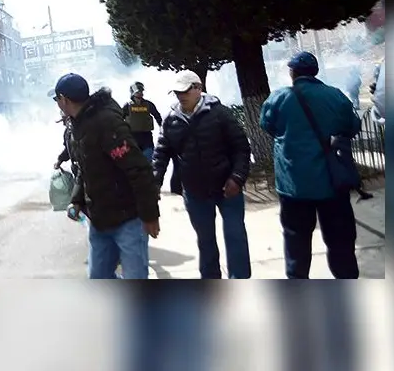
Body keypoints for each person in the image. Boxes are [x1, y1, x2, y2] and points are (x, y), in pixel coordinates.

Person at [259, 51, 362, 279]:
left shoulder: (279, 98)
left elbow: (267, 124)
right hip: (332, 184)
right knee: (341, 244)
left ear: (292, 73)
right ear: (315, 72)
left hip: (293, 187)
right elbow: (353, 127)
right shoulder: (335, 96)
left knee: (296, 246)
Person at [56, 73, 160, 279]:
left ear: (64, 99)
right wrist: (77, 200)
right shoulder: (78, 124)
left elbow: (138, 168)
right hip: (100, 220)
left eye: (57, 99)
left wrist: (149, 214)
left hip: (128, 219)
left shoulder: (106, 124)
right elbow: (86, 168)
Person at [152, 70, 253, 279]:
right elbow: (161, 154)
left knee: (235, 237)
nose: (181, 96)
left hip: (228, 189)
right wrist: (154, 184)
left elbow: (241, 147)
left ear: (198, 89)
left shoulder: (219, 114)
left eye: (185, 91)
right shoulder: (171, 120)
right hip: (195, 192)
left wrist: (237, 178)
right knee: (205, 242)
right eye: (177, 92)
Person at [122, 81, 163, 161]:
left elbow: (158, 117)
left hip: (146, 137)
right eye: (138, 91)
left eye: (141, 91)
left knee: (148, 162)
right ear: (133, 93)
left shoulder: (148, 104)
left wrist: (163, 129)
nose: (140, 93)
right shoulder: (127, 106)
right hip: (132, 137)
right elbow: (119, 119)